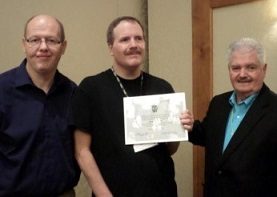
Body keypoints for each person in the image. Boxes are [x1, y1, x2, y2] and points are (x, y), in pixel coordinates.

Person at [72, 16, 180, 197]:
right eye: (124, 39)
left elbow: (170, 149)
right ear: (110, 48)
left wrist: (178, 127)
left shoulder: (163, 87)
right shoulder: (91, 88)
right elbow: (81, 151)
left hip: (162, 190)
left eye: (139, 38)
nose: (134, 44)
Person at [181, 37, 277, 197]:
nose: (242, 74)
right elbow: (207, 136)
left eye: (251, 67)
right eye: (236, 68)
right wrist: (191, 127)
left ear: (264, 69)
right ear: (229, 70)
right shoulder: (218, 103)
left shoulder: (274, 108)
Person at [0, 15, 80, 196]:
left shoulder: (74, 93)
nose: (43, 47)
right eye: (35, 40)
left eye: (52, 40)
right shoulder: (2, 90)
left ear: (63, 47)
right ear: (24, 44)